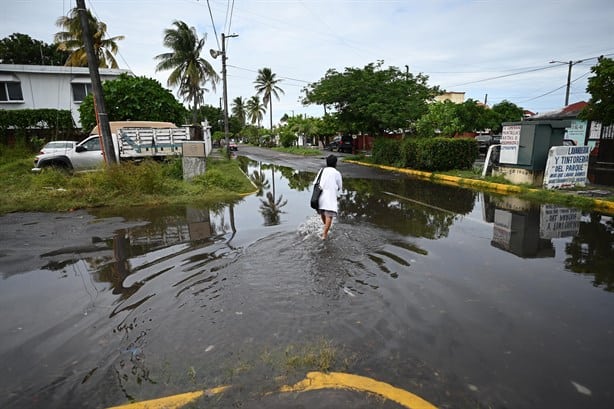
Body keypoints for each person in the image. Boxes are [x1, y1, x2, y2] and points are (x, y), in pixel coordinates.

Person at [315, 154, 343, 240]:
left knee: (323, 212)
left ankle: (325, 227)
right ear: (335, 163)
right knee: (329, 216)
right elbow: (340, 186)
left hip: (320, 197)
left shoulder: (321, 170)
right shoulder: (337, 173)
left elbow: (315, 182)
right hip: (330, 197)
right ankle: (324, 234)